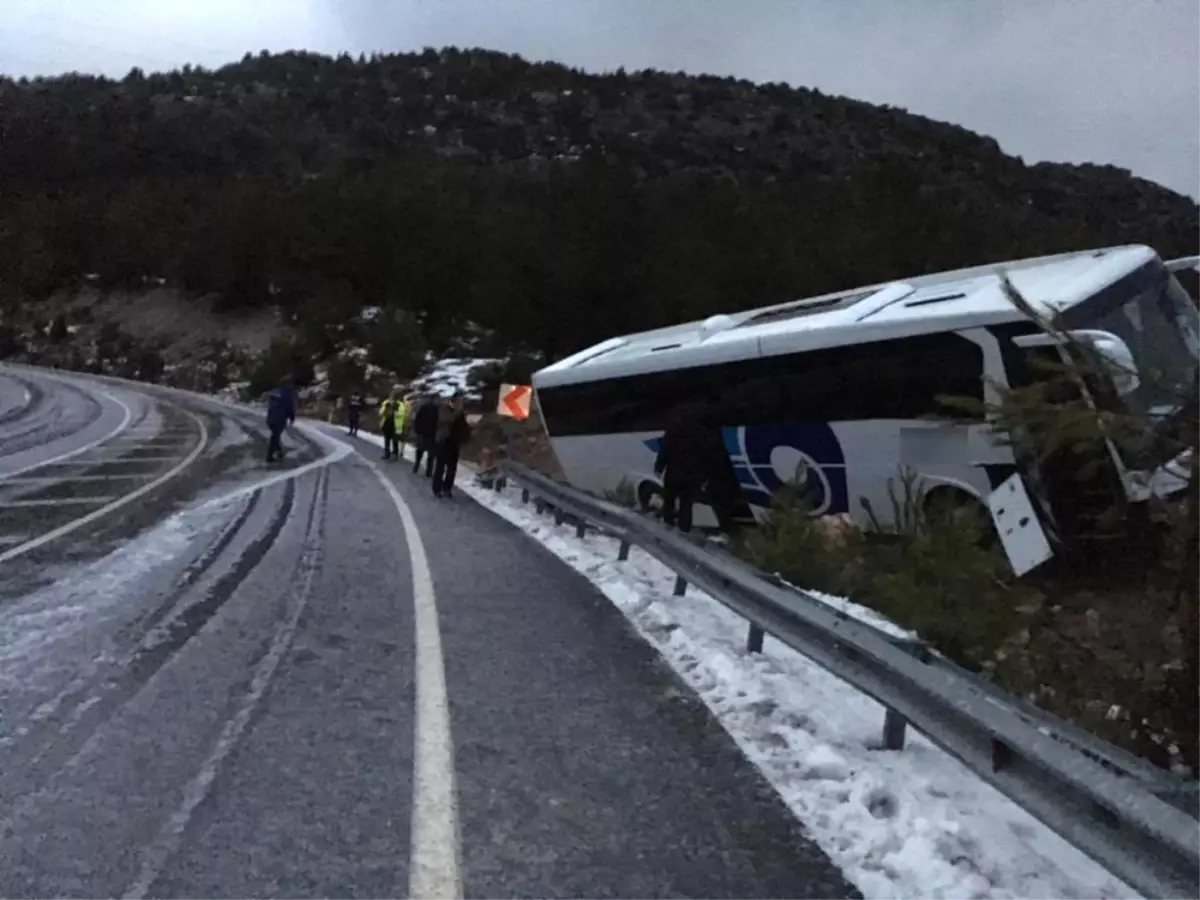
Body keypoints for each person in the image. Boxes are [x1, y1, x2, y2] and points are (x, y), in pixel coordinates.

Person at [654, 402, 718, 533]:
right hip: (692, 476)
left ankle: (668, 524)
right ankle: (684, 529)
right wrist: (705, 477)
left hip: (674, 473)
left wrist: (659, 468)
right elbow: (707, 456)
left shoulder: (673, 430)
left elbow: (665, 451)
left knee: (669, 500)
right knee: (686, 504)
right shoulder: (701, 432)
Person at [432, 393, 471, 499]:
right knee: (440, 467)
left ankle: (447, 488)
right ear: (453, 402)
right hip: (443, 443)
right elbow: (447, 420)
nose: (460, 404)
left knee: (452, 469)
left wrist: (467, 435)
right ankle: (437, 489)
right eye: (459, 401)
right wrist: (458, 411)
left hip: (455, 443)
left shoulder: (460, 413)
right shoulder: (444, 409)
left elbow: (464, 427)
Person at [265, 376, 296, 463]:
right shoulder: (289, 394)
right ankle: (269, 455)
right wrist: (292, 418)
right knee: (275, 436)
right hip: (280, 418)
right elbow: (290, 407)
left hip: (271, 417)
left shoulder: (275, 392)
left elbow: (270, 403)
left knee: (276, 435)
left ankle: (279, 452)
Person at [411, 394, 439, 477]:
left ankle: (420, 467)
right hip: (428, 434)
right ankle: (426, 470)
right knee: (428, 453)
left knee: (423, 451)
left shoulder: (426, 407)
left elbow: (417, 419)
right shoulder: (434, 409)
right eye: (437, 399)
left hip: (426, 433)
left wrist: (417, 430)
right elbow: (418, 419)